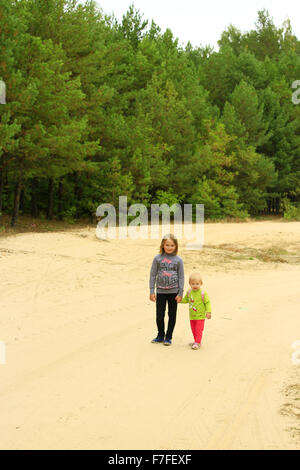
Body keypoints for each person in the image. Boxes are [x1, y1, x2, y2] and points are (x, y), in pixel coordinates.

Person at [149, 234, 184, 346]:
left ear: (176, 246)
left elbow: (181, 276)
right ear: (163, 245)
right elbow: (153, 275)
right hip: (160, 291)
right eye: (167, 245)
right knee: (159, 315)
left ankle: (168, 337)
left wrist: (180, 292)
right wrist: (151, 291)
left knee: (172, 315)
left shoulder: (178, 260)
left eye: (172, 245)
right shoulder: (157, 258)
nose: (169, 247)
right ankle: (160, 335)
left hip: (174, 292)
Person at [181, 273, 211, 350]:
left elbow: (207, 303)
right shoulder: (189, 292)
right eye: (193, 284)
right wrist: (180, 300)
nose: (195, 285)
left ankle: (197, 342)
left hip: (200, 316)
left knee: (198, 329)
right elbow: (186, 300)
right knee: (193, 329)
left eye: (197, 284)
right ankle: (196, 341)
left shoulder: (203, 293)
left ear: (201, 283)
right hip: (192, 316)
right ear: (190, 284)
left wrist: (208, 312)